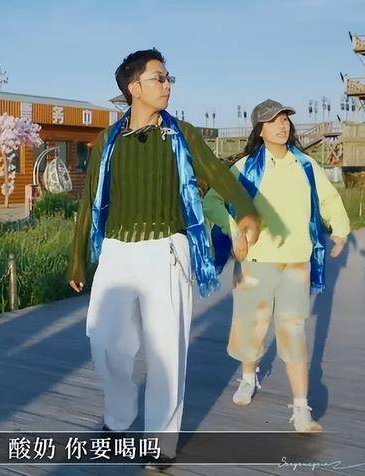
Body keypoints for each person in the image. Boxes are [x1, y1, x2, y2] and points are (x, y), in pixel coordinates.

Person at [67, 48, 260, 466]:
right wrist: (78, 258)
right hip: (116, 253)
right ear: (134, 87)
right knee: (105, 343)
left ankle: (159, 442)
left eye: (169, 77)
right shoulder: (107, 140)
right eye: (159, 77)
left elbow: (218, 173)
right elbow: (89, 201)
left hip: (167, 252)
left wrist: (246, 210)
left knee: (165, 351)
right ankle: (118, 419)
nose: (167, 84)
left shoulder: (181, 134)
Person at [203, 99, 350, 432]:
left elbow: (328, 198)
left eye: (285, 120)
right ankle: (248, 377)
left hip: (296, 262)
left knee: (293, 330)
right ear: (260, 129)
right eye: (273, 121)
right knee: (250, 327)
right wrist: (234, 229)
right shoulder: (244, 168)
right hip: (254, 263)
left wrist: (339, 229)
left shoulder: (305, 165)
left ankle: (301, 408)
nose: (282, 126)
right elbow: (212, 202)